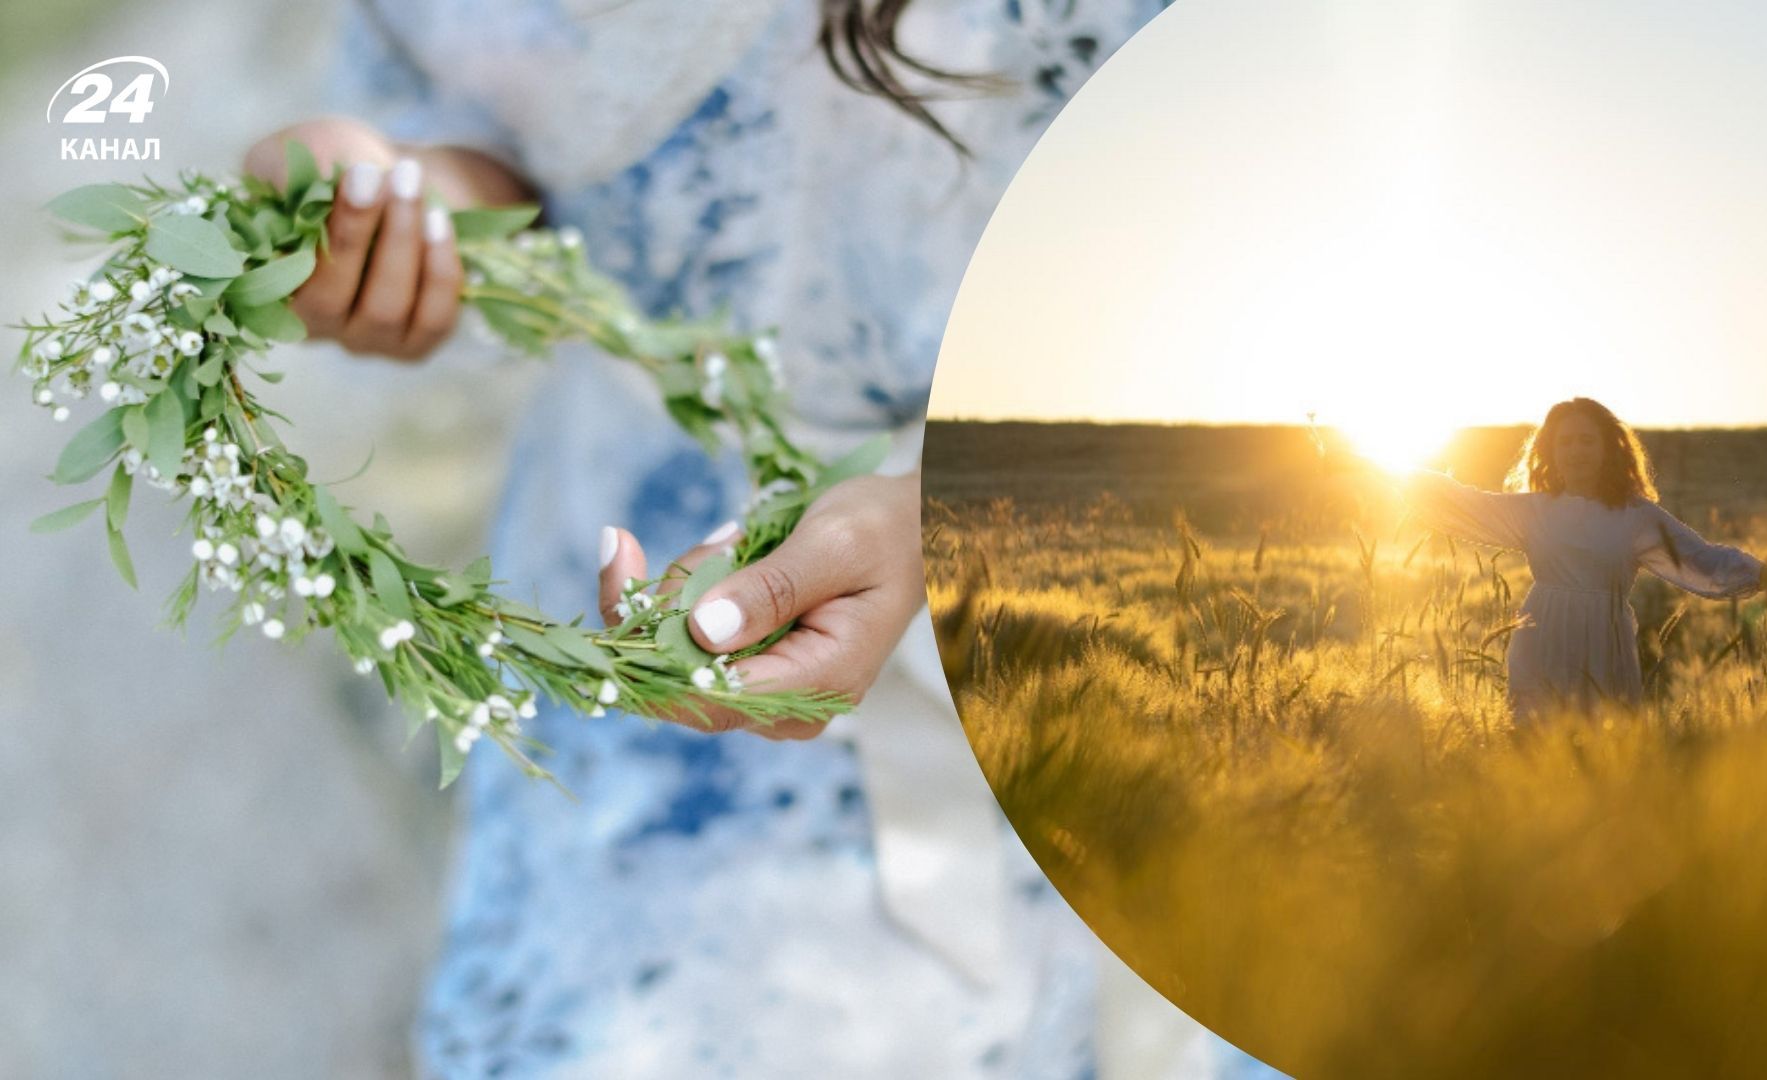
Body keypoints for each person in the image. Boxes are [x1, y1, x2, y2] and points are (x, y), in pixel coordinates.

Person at [242, 1, 1289, 1077]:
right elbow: (527, 129)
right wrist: (405, 209)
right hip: (673, 591)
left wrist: (956, 517)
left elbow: (1334, 219)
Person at [1401, 397, 1767, 723]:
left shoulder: (1636, 516)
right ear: (1550, 451)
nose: (1575, 451)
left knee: (1605, 750)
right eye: (1565, 442)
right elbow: (1464, 503)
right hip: (1539, 639)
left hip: (1605, 646)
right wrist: (1387, 473)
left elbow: (1701, 558)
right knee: (1534, 751)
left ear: (1607, 449)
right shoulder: (1534, 510)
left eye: (1586, 440)